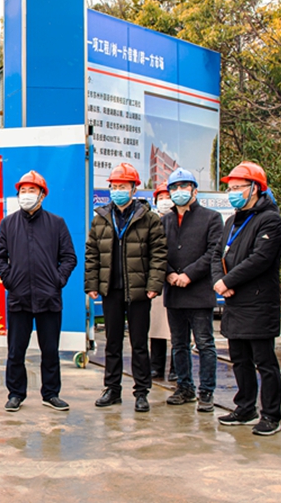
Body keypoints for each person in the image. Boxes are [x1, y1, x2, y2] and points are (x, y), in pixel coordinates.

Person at [0, 171, 77, 412]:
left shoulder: (56, 223)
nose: (26, 195)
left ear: (42, 195)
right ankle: (15, 394)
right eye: (23, 191)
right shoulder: (8, 223)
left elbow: (69, 257)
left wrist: (57, 280)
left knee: (49, 350)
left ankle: (51, 394)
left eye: (32, 190)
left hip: (49, 298)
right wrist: (10, 280)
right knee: (16, 351)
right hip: (19, 298)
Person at [85, 163, 167, 413]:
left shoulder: (148, 219)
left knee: (139, 344)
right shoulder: (100, 219)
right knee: (112, 342)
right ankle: (112, 389)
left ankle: (141, 392)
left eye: (122, 186)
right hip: (111, 289)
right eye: (114, 186)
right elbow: (92, 253)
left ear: (133, 189)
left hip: (139, 290)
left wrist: (154, 285)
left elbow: (159, 254)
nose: (117, 190)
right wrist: (92, 284)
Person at [212, 162, 281, 436]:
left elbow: (260, 259)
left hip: (258, 301)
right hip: (234, 301)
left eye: (237, 187)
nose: (232, 192)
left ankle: (271, 415)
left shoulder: (269, 220)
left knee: (264, 361)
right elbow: (217, 255)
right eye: (230, 188)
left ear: (254, 188)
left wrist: (228, 281)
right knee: (239, 358)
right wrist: (219, 281)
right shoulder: (232, 221)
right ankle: (245, 407)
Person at [161, 169, 223, 413]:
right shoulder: (165, 221)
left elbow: (213, 252)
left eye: (184, 186)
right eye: (174, 188)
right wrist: (168, 273)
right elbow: (157, 252)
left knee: (205, 343)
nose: (179, 192)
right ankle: (184, 387)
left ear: (194, 190)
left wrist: (189, 274)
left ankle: (206, 391)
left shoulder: (211, 218)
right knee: (178, 344)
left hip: (199, 292)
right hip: (174, 292)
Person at [150, 183, 176, 382]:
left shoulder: (180, 221)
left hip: (179, 280)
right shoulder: (152, 222)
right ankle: (156, 366)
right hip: (158, 280)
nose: (165, 201)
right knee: (157, 326)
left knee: (177, 330)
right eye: (161, 198)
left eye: (168, 197)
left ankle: (177, 367)